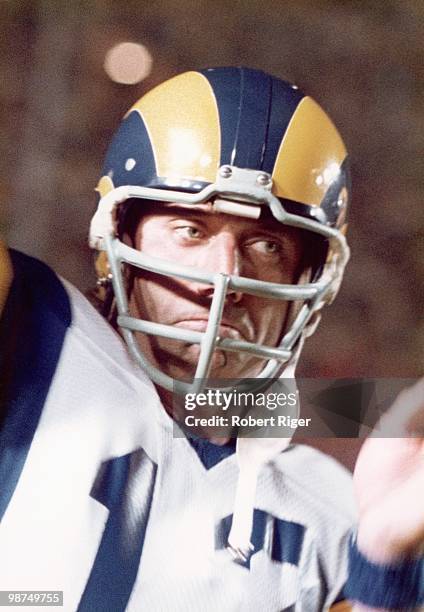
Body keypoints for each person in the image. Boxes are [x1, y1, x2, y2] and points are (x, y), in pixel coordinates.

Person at [0, 67, 422, 611]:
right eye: (190, 230)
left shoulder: (336, 513)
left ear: (308, 282)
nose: (221, 277)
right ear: (116, 238)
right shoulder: (34, 331)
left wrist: (385, 570)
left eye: (268, 246)